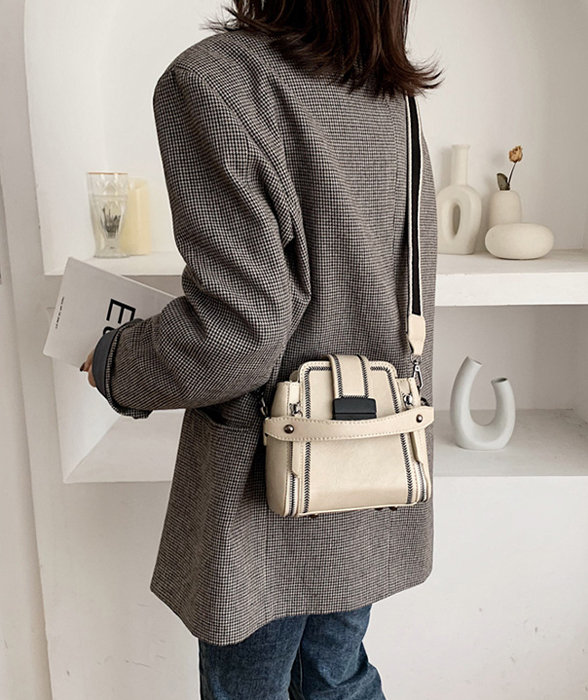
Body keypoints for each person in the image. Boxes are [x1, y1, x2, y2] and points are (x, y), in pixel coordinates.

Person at [81, 1, 442, 697]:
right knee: (336, 678)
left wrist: (118, 363)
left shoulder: (215, 81)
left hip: (266, 481)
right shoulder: (386, 95)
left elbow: (237, 334)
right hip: (368, 462)